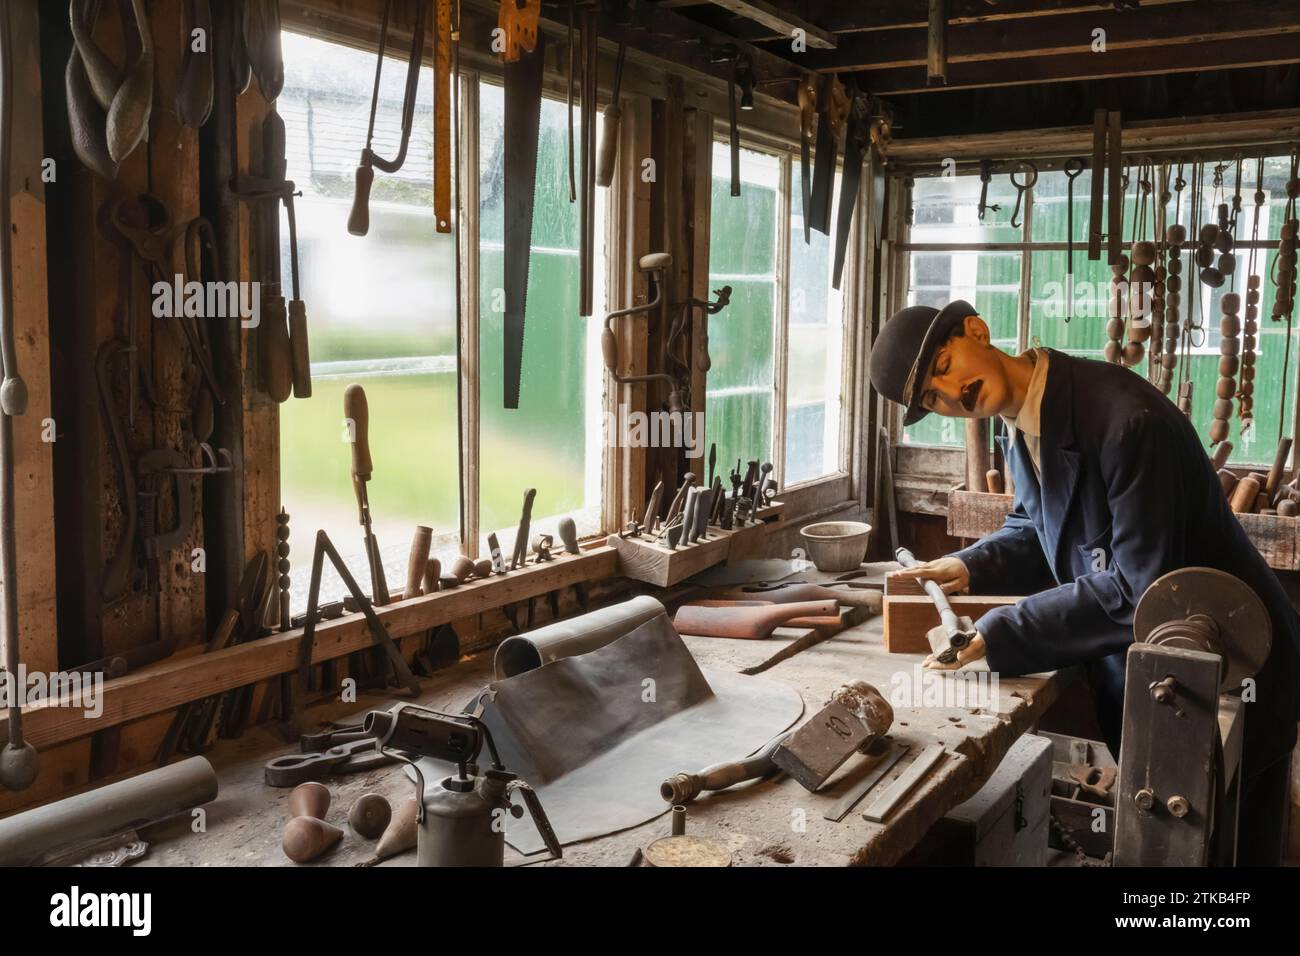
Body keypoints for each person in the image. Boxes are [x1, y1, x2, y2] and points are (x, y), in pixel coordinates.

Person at [870, 298, 1300, 864]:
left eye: (945, 367)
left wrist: (1002, 632)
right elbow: (1035, 524)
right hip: (1167, 672)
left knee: (1230, 855)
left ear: (978, 330)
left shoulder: (1126, 420)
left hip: (1242, 668)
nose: (953, 396)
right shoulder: (1019, 424)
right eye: (932, 397)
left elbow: (1138, 590)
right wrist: (972, 564)